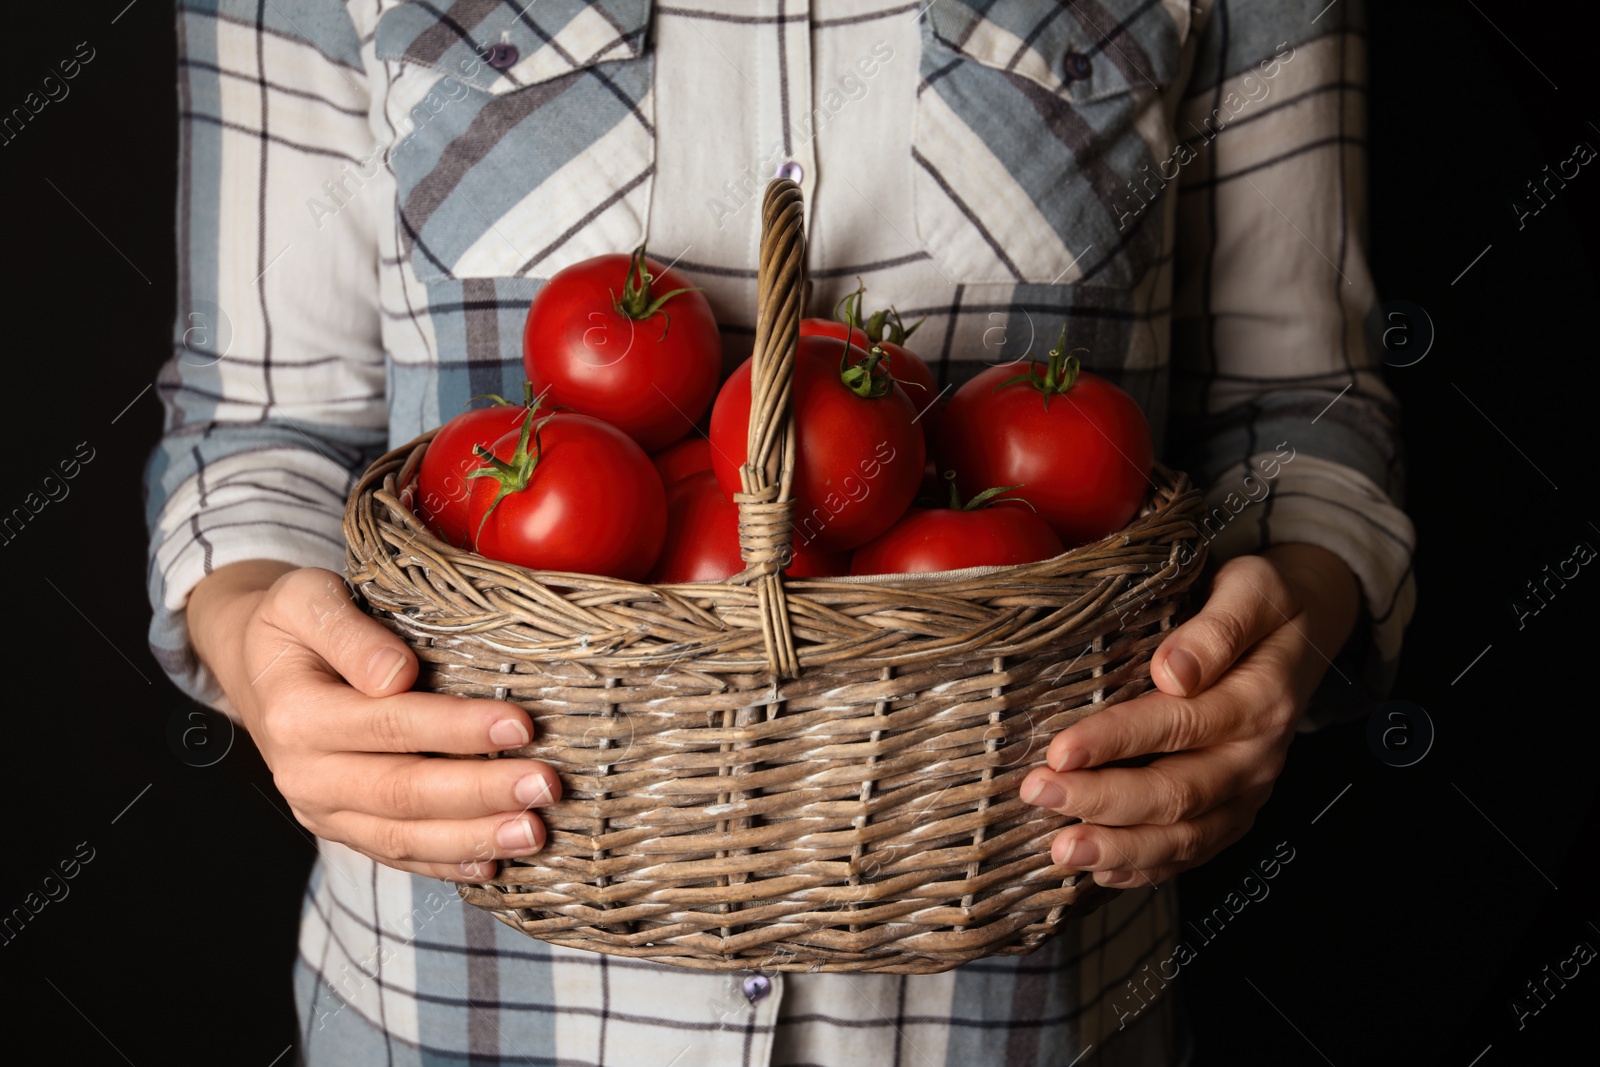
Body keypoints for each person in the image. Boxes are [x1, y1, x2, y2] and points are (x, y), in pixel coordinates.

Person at [148, 1, 1414, 1063]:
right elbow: (259, 425)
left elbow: (1303, 410)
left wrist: (1286, 623)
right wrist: (265, 642)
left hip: (1033, 1003)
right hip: (453, 1003)